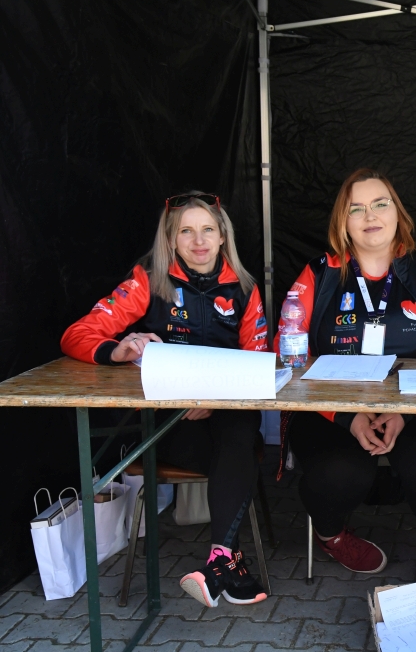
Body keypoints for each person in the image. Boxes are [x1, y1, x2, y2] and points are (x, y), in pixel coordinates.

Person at [61, 192, 270, 607]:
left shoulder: (244, 288)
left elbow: (259, 362)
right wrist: (118, 350)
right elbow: (76, 335)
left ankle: (219, 564)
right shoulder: (148, 280)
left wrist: (216, 399)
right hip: (170, 425)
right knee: (242, 450)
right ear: (171, 240)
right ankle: (228, 562)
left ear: (223, 236)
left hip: (228, 419)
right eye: (186, 232)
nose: (199, 241)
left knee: (239, 428)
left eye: (207, 230)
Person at [276, 168, 416, 581]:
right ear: (342, 222)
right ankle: (330, 535)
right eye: (356, 208)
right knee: (343, 470)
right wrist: (345, 416)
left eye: (380, 204)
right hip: (330, 410)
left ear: (397, 212)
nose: (370, 215)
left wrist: (409, 410)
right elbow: (290, 351)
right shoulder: (319, 273)